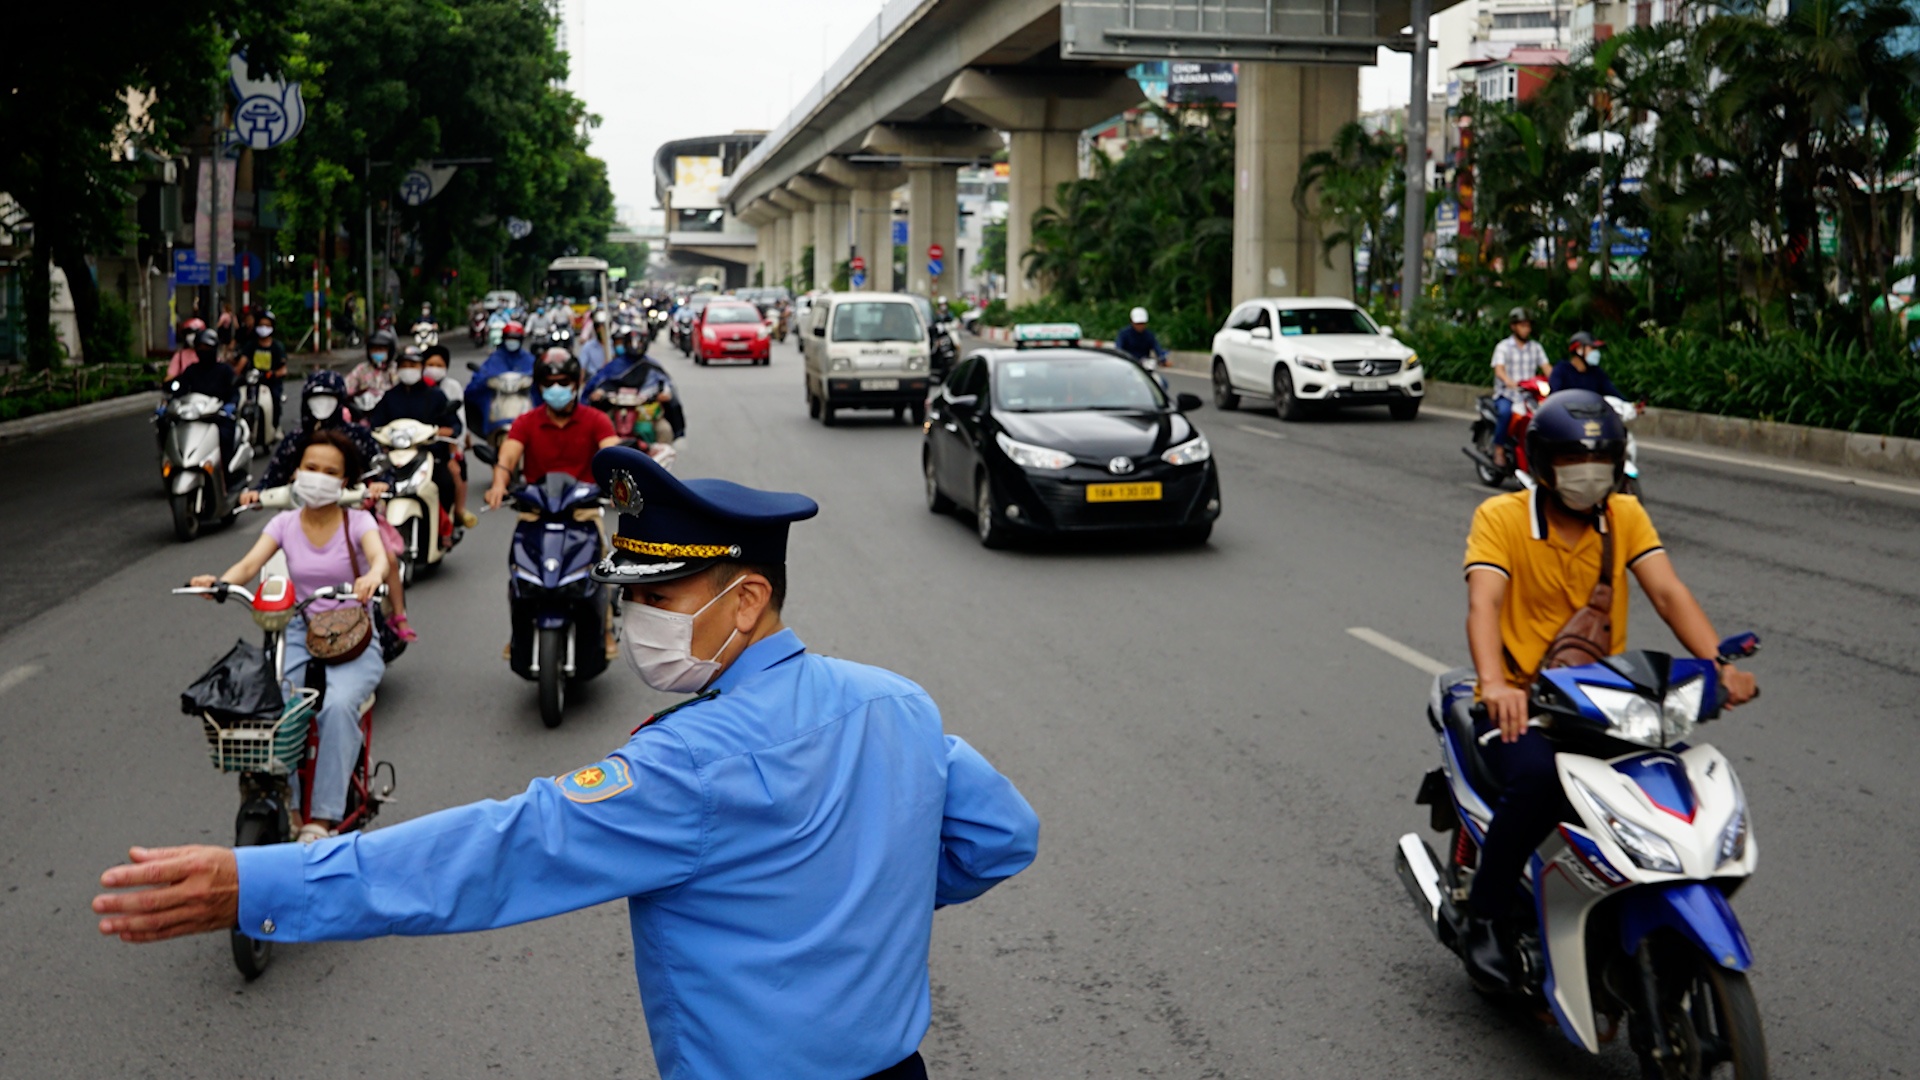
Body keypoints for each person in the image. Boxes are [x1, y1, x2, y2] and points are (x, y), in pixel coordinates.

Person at [93, 445, 1041, 1080]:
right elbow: (1002, 836)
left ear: (747, 600)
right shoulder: (896, 703)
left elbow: (495, 854)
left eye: (659, 593)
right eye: (626, 594)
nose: (634, 620)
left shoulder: (688, 767)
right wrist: (856, 898)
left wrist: (262, 881)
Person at [1458, 389, 1757, 991]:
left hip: (1603, 702)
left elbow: (1669, 594)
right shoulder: (1503, 518)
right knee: (1537, 780)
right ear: (1542, 464)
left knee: (1672, 783)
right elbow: (1483, 603)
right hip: (1523, 703)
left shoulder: (1625, 516)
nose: (1588, 476)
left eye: (1600, 463)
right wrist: (1495, 683)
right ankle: (1484, 916)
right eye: (1572, 463)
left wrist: (1718, 664)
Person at [186, 427, 389, 843]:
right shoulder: (284, 523)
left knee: (336, 708)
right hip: (298, 628)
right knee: (277, 708)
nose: (318, 476)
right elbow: (247, 566)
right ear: (296, 471)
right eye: (310, 467)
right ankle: (290, 807)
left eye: (330, 471)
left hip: (352, 634)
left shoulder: (358, 521)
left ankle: (325, 819)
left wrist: (372, 576)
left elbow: (379, 557)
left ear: (345, 481)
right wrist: (220, 583)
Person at [486, 350, 620, 507]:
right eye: (549, 383)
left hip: (584, 509)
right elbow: (507, 458)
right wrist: (498, 485)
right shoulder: (525, 422)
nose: (556, 388)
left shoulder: (597, 420)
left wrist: (618, 485)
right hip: (536, 509)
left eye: (563, 382)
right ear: (540, 387)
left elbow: (613, 454)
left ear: (576, 384)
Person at [365, 349, 464, 537]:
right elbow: (375, 425)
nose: (408, 369)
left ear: (421, 368)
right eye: (404, 366)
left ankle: (446, 529)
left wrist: (437, 432)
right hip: (395, 455)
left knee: (446, 483)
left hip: (430, 454)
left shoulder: (436, 396)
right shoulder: (390, 397)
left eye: (413, 365)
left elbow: (453, 426)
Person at [420, 345, 477, 528]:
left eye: (438, 364)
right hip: (416, 444)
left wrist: (456, 449)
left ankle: (458, 510)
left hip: (444, 445)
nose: (434, 368)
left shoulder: (451, 388)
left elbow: (458, 423)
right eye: (430, 364)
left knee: (456, 470)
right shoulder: (415, 388)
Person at [1488, 307, 1552, 467]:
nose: (1526, 329)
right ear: (1513, 326)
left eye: (1528, 326)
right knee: (1504, 413)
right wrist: (1508, 381)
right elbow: (1499, 370)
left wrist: (1557, 380)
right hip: (1508, 394)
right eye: (1522, 325)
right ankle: (1499, 449)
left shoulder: (1536, 347)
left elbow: (1546, 367)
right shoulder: (1503, 347)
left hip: (1530, 395)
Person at [169, 329, 242, 463]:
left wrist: (230, 406)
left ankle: (225, 471)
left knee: (225, 436)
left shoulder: (225, 370)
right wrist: (170, 405)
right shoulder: (191, 370)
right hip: (194, 416)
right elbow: (179, 392)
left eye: (207, 348)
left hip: (218, 417)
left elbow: (234, 393)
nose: (204, 351)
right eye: (200, 348)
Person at [467, 319, 535, 440]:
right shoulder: (495, 358)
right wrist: (484, 380)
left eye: (515, 338)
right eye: (509, 338)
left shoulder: (528, 359)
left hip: (525, 405)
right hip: (498, 405)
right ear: (504, 338)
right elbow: (479, 380)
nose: (512, 341)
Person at [1548, 331, 1623, 398]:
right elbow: (1554, 396)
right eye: (1592, 348)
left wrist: (1630, 405)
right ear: (1579, 350)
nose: (1596, 352)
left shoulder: (1596, 372)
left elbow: (1613, 393)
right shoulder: (1561, 370)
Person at [345, 329, 400, 412]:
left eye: (381, 349)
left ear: (390, 351)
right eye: (374, 350)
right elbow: (347, 387)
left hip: (393, 411)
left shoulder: (396, 369)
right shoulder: (361, 369)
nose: (377, 352)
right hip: (366, 411)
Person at [578, 308, 610, 379]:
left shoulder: (614, 345)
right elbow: (582, 368)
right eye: (598, 327)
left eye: (603, 327)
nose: (601, 330)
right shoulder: (588, 347)